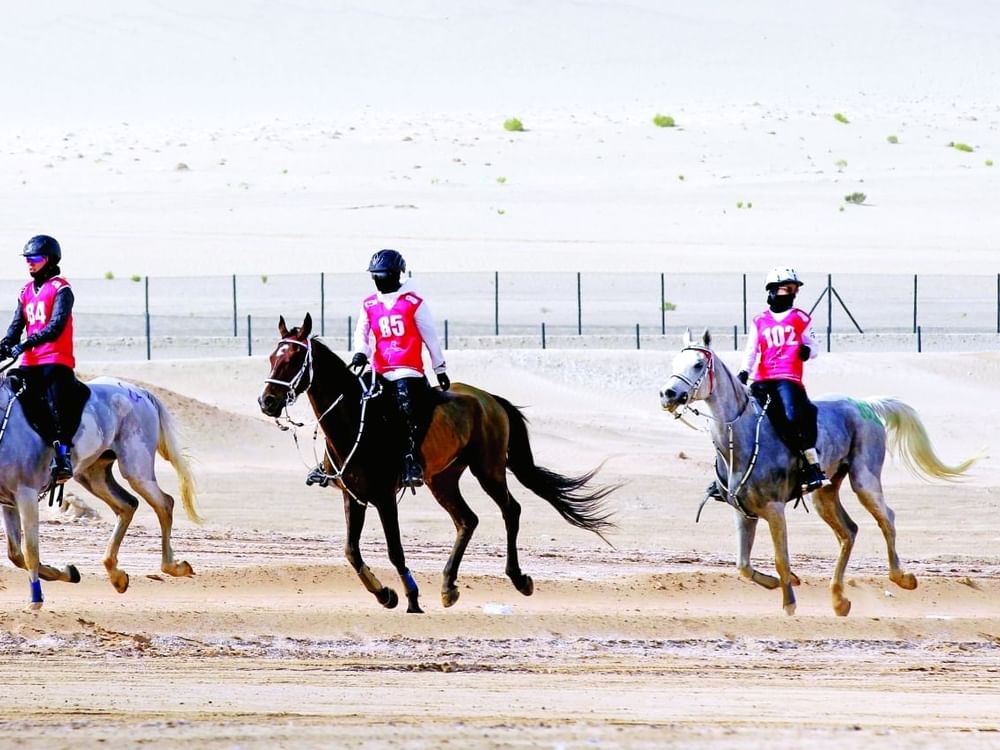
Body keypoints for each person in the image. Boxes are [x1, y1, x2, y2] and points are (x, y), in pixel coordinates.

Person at [349, 249, 449, 488]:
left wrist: (440, 368)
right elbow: (360, 332)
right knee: (351, 401)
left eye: (383, 275)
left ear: (396, 274)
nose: (379, 280)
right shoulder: (369, 303)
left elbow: (431, 338)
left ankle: (411, 459)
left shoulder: (414, 303)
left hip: (408, 370)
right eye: (376, 275)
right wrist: (361, 352)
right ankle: (335, 460)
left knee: (407, 410)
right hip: (379, 369)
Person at [736, 266, 829, 493]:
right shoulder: (759, 321)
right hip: (763, 377)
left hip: (787, 378)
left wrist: (807, 350)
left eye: (794, 288)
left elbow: (814, 346)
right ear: (772, 290)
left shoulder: (800, 318)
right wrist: (743, 371)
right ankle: (729, 471)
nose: (793, 293)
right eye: (788, 288)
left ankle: (811, 465)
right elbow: (751, 350)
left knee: (793, 415)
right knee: (742, 416)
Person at [0, 235, 77, 483]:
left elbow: (55, 326)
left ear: (50, 260)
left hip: (56, 360)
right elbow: (15, 329)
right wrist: (5, 346)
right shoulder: (25, 292)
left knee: (57, 403)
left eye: (34, 259)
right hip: (30, 363)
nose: (30, 263)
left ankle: (63, 456)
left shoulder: (61, 289)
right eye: (27, 259)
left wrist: (24, 344)